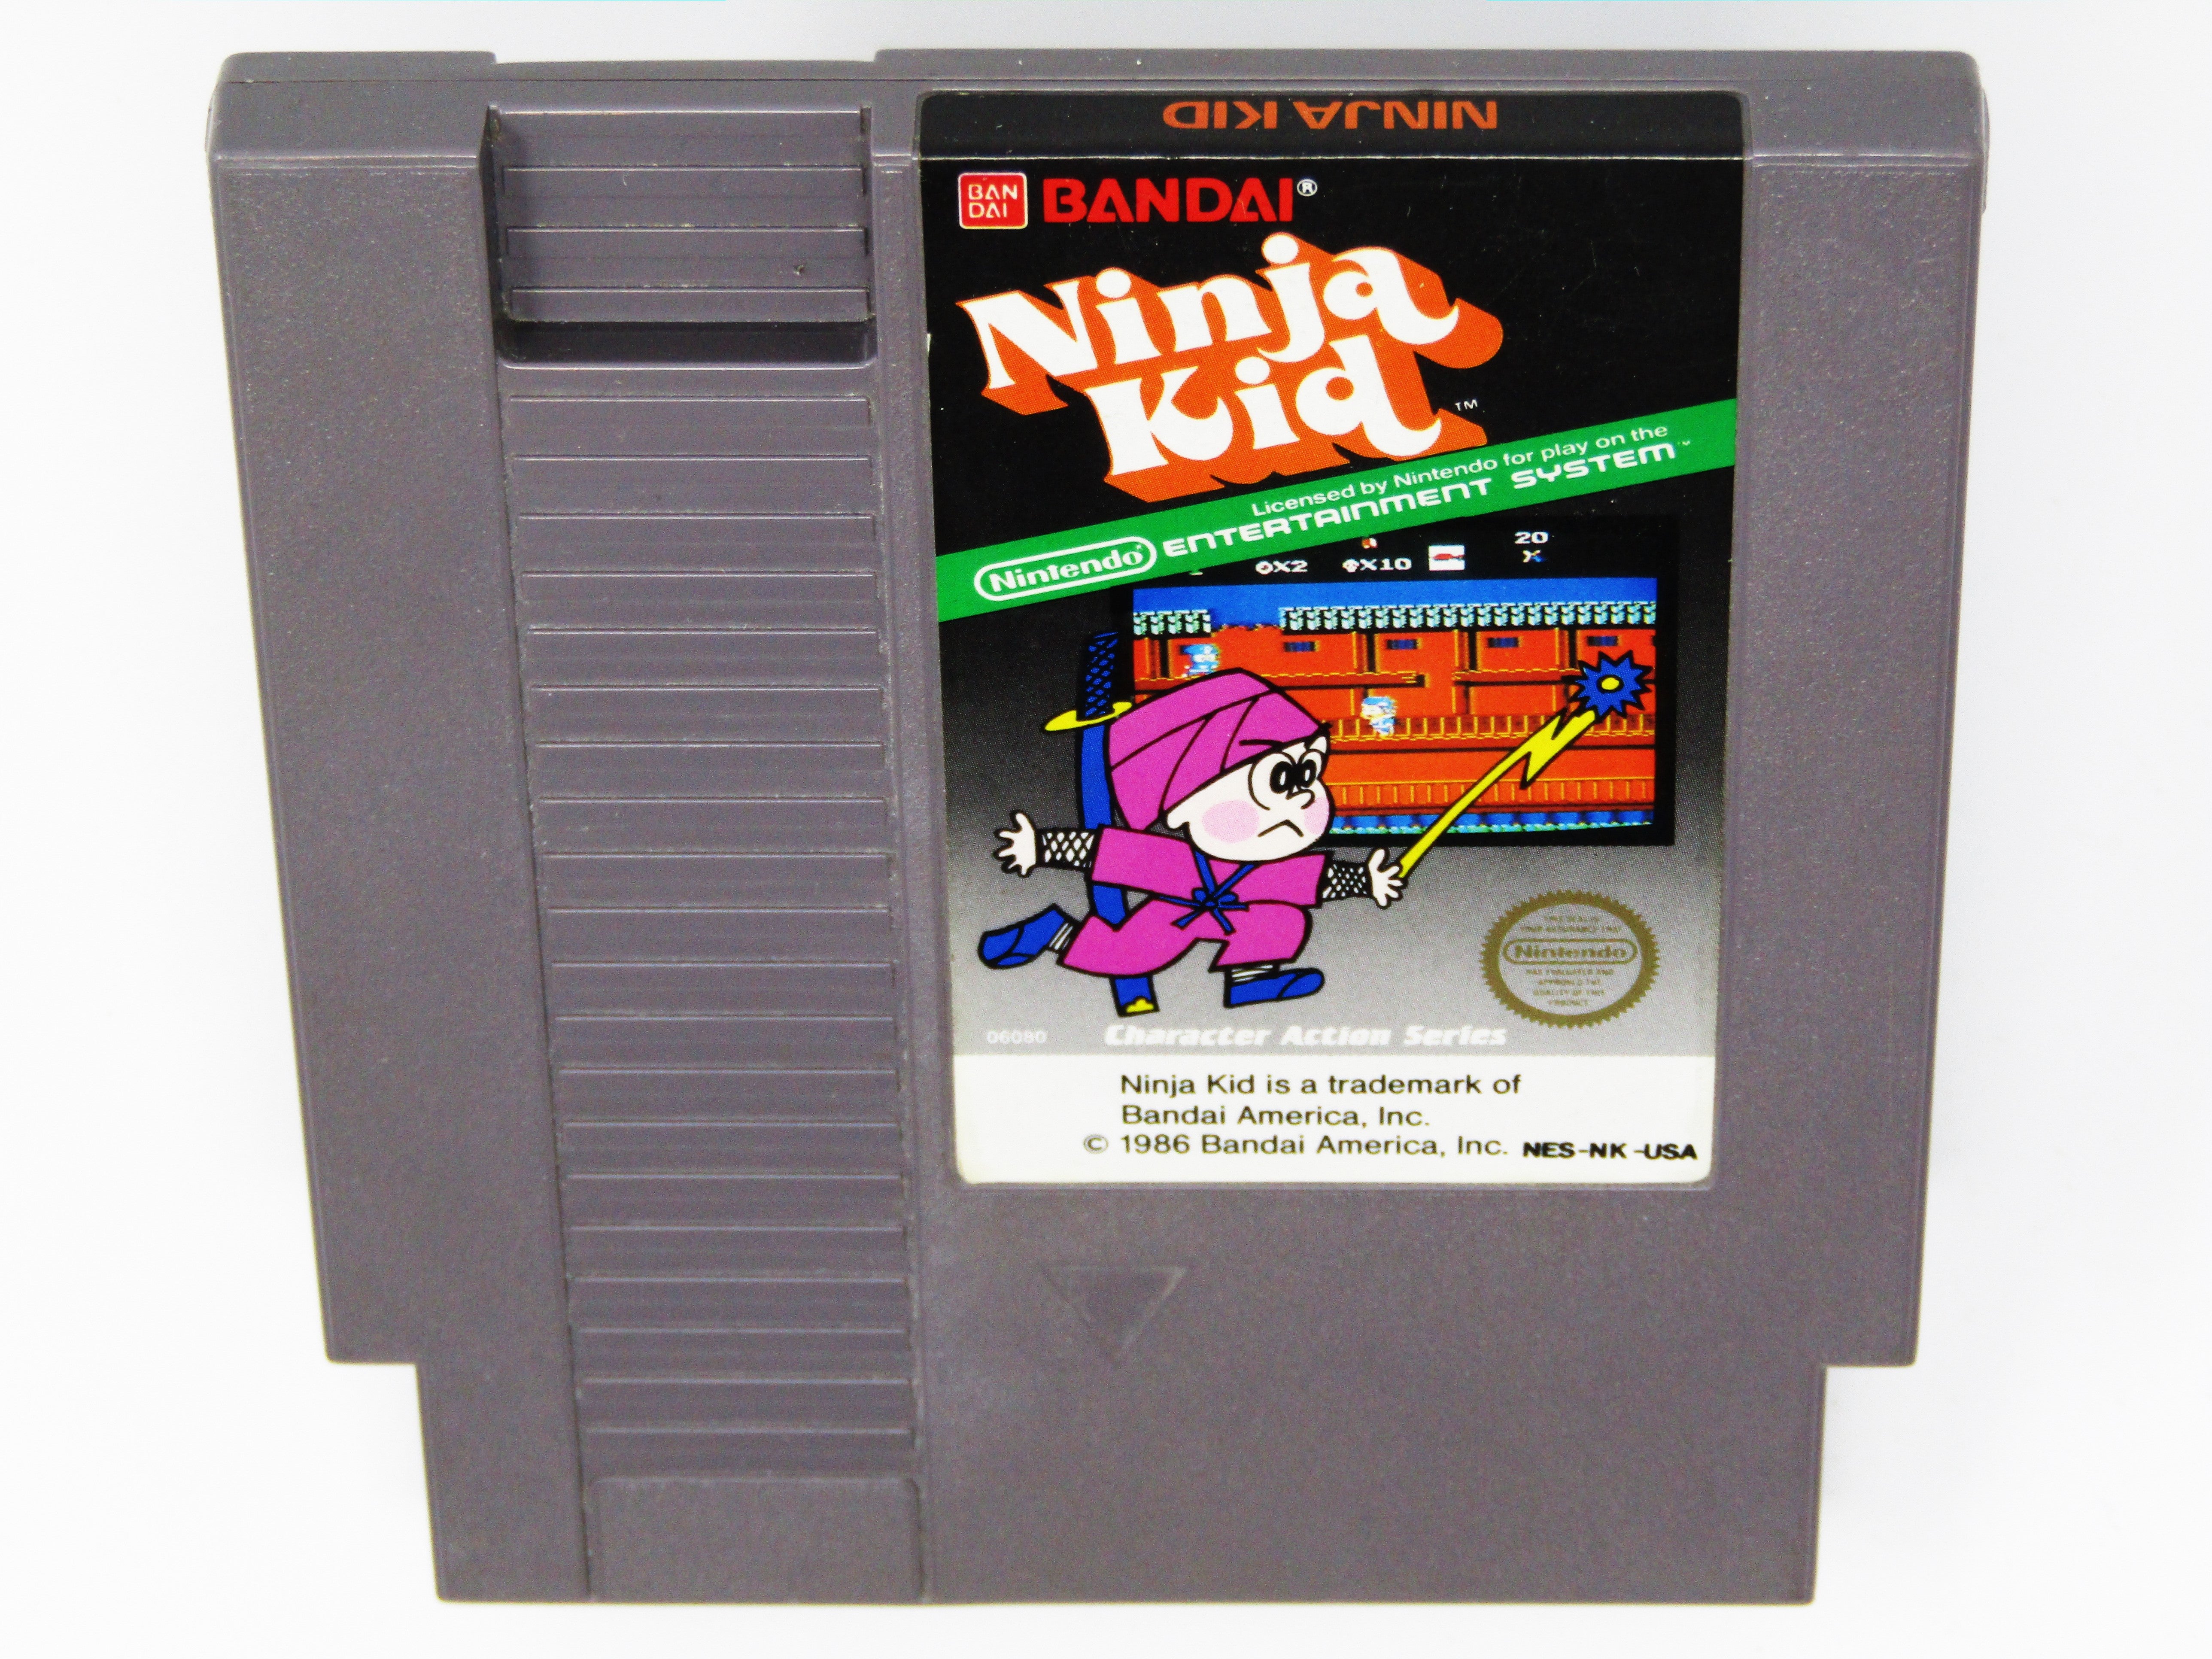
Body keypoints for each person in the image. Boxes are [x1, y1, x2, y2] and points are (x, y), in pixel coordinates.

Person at [978, 669, 1402, 1009]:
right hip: (1172, 917)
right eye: (1279, 780)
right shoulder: (1171, 861)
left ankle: (1250, 983)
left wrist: (1366, 880)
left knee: (1283, 921)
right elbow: (1101, 852)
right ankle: (1050, 932)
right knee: (1126, 957)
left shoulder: (1267, 870)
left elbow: (1318, 880)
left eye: (1307, 775)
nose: (1301, 799)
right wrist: (1040, 847)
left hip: (1238, 914)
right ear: (1183, 807)